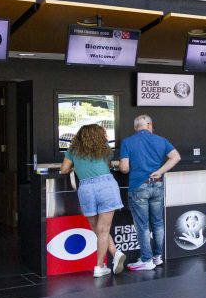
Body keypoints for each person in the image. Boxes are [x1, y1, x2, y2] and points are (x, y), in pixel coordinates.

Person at [59, 124, 126, 278]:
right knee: (103, 229)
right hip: (106, 185)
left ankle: (105, 262)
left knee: (97, 228)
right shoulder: (104, 149)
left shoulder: (73, 150)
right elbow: (108, 165)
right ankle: (108, 259)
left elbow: (64, 169)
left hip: (86, 188)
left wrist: (75, 167)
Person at [119, 115, 181, 271]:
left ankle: (146, 260)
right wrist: (160, 171)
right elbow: (176, 157)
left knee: (143, 225)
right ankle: (157, 257)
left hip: (138, 186)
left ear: (136, 127)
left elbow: (124, 168)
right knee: (158, 223)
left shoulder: (127, 142)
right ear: (149, 125)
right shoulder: (161, 140)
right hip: (157, 185)